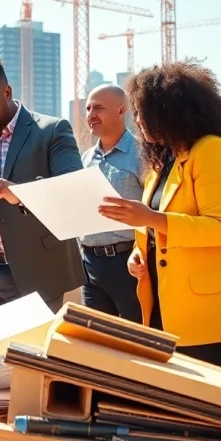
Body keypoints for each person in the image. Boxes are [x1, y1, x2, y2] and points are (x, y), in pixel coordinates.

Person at [98, 61, 221, 371]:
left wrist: (149, 218)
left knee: (208, 408)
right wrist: (139, 255)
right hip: (166, 307)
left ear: (168, 110)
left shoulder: (212, 152)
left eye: (141, 112)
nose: (136, 121)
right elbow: (157, 228)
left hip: (210, 311)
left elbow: (220, 228)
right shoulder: (164, 160)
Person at [0, 55, 86, 316]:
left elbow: (72, 191)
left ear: (7, 92)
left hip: (37, 275)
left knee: (31, 356)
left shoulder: (52, 131)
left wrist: (19, 193)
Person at [77, 84, 144, 323]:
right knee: (97, 344)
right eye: (88, 108)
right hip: (90, 266)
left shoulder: (143, 154)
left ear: (121, 110)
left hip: (128, 265)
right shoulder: (85, 159)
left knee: (136, 342)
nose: (90, 114)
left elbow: (156, 208)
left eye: (98, 108)